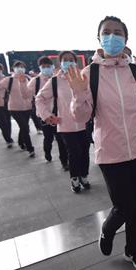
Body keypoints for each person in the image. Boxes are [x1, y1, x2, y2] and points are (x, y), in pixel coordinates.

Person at [67, 15, 136, 270]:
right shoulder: (90, 73)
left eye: (118, 32)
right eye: (107, 32)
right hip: (110, 152)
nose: (112, 36)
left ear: (126, 38)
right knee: (124, 207)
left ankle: (134, 249)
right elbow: (80, 117)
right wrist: (78, 93)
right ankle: (108, 229)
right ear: (99, 38)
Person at [36, 51, 90, 192]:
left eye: (71, 59)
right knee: (74, 152)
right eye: (65, 60)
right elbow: (39, 98)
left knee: (84, 151)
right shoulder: (55, 81)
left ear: (75, 62)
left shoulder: (83, 77)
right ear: (60, 63)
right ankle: (74, 178)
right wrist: (47, 115)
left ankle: (84, 175)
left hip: (84, 123)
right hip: (65, 125)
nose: (68, 62)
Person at [28, 56, 68, 166]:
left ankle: (64, 161)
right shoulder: (35, 81)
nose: (46, 68)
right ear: (40, 68)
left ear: (52, 67)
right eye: (43, 67)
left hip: (58, 114)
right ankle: (47, 154)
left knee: (60, 139)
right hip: (44, 116)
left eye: (48, 66)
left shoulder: (57, 79)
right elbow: (26, 95)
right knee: (48, 138)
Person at [0, 61, 35, 157]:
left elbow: (32, 91)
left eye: (22, 67)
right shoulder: (9, 80)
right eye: (18, 67)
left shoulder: (28, 78)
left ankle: (21, 142)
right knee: (25, 127)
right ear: (13, 69)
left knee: (24, 127)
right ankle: (30, 148)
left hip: (27, 107)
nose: (20, 69)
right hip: (14, 108)